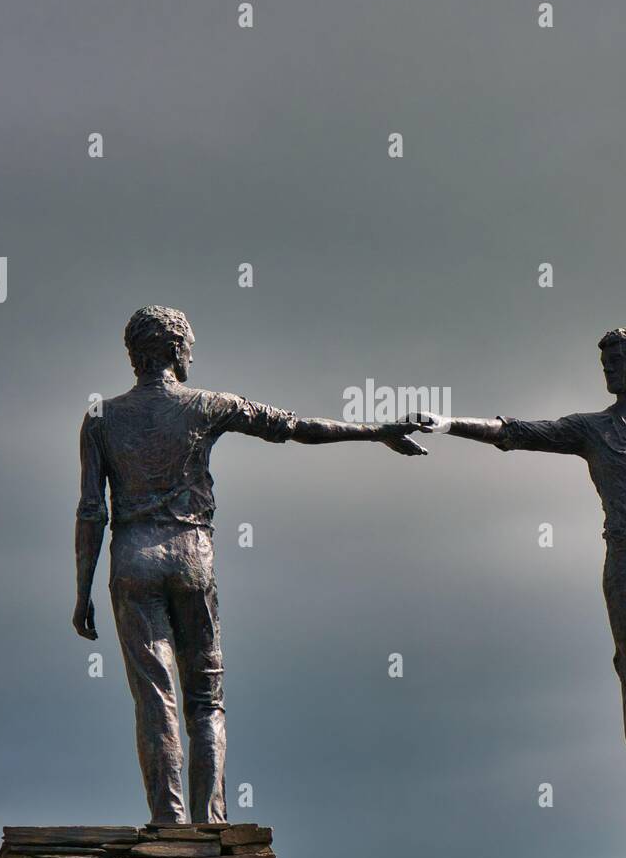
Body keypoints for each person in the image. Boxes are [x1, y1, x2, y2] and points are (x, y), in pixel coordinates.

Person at [74, 306, 425, 824]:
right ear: (174, 350)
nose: (192, 354)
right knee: (205, 699)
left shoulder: (100, 417)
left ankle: (169, 820)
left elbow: (91, 511)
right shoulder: (207, 405)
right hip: (191, 556)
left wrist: (81, 592)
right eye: (189, 345)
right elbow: (293, 426)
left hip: (132, 561)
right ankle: (210, 820)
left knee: (155, 697)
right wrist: (376, 431)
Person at [413, 327, 626, 846]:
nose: (607, 369)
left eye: (616, 359)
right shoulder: (593, 429)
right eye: (604, 361)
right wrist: (448, 423)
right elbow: (518, 432)